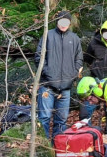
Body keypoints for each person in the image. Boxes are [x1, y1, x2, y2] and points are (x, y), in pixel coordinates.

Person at [35, 10, 83, 139]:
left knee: (61, 120)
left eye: (66, 21)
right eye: (61, 21)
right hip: (47, 86)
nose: (63, 24)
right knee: (44, 118)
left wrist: (72, 74)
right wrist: (48, 73)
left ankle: (57, 147)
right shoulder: (48, 36)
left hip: (66, 87)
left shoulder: (74, 38)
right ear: (57, 21)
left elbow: (79, 59)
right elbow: (39, 57)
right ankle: (43, 147)